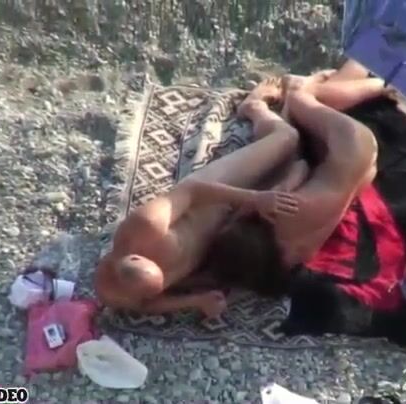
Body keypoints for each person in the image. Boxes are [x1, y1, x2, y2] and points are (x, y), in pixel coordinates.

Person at [94, 61, 389, 318]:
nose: (162, 288)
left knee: (286, 139)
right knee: (297, 150)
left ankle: (254, 107)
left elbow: (193, 190)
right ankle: (353, 77)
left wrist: (255, 198)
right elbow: (142, 304)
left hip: (213, 192)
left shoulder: (144, 226)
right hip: (230, 225)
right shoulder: (117, 292)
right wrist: (193, 302)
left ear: (136, 257)